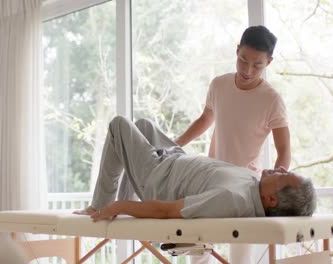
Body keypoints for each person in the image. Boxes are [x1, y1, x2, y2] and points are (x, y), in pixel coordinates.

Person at [173, 25, 289, 263]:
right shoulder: (219, 85)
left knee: (240, 256)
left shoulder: (272, 100)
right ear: (237, 51)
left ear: (269, 62)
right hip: (210, 177)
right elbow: (205, 119)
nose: (248, 70)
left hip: (246, 187)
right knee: (199, 250)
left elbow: (284, 150)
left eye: (257, 65)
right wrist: (174, 144)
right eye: (243, 60)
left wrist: (277, 185)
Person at [74, 116, 316, 222]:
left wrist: (120, 205)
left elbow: (167, 211)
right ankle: (115, 201)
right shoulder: (252, 184)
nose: (281, 168)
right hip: (172, 161)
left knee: (119, 125)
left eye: (285, 175)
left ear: (271, 199)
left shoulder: (233, 199)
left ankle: (98, 207)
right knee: (143, 125)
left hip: (157, 178)